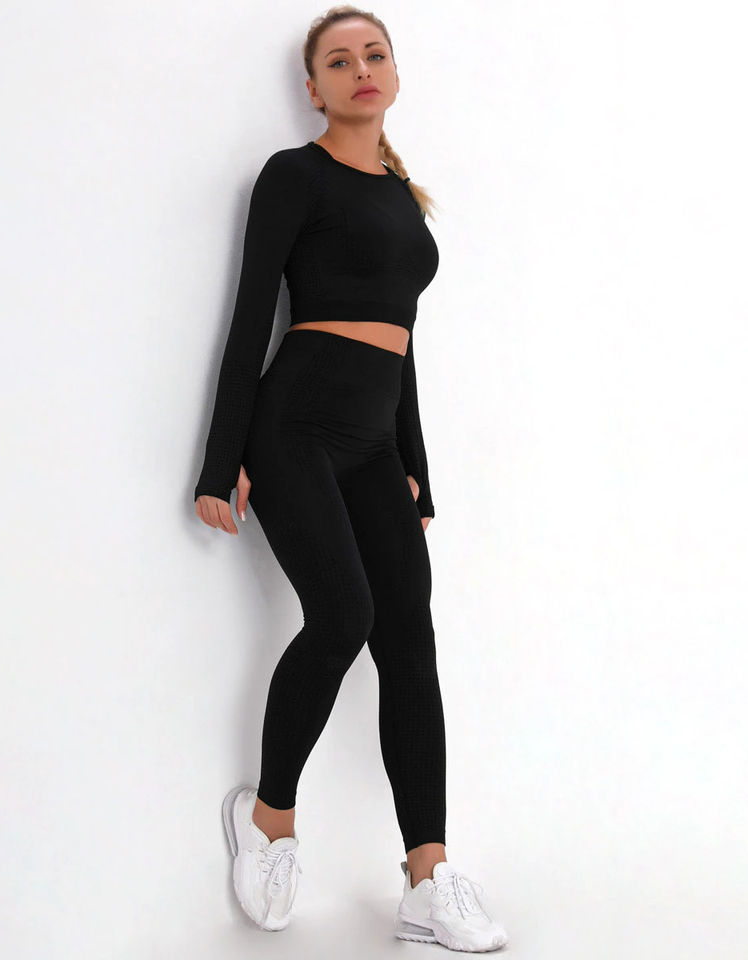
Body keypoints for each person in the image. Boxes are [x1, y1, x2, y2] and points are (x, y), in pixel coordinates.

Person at [197, 8, 508, 951]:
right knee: (344, 616)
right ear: (315, 89)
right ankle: (269, 823)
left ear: (395, 75)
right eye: (339, 60)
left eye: (375, 54)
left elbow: (403, 343)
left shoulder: (404, 199)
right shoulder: (293, 176)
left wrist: (417, 470)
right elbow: (251, 315)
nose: (360, 68)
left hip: (374, 444)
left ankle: (427, 877)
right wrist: (221, 460)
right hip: (294, 427)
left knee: (410, 639)